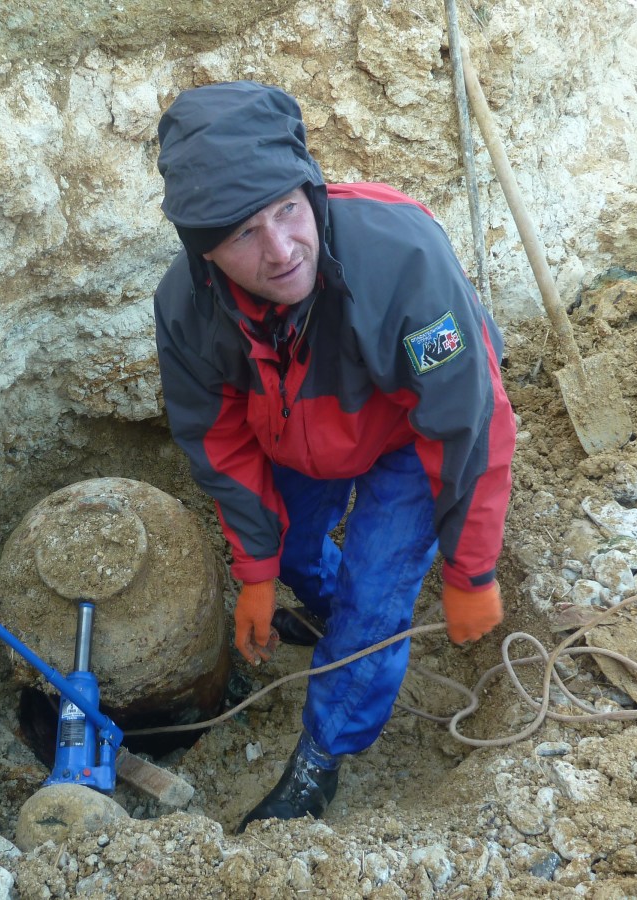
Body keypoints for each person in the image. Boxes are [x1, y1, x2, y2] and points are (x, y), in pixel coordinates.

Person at [152, 80, 516, 832]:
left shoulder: (402, 258)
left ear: (309, 189)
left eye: (287, 210)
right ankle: (322, 605)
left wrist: (470, 568)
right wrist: (256, 571)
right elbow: (217, 442)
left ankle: (325, 749)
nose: (282, 251)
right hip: (295, 430)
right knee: (289, 551)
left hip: (408, 436)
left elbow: (465, 425)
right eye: (243, 235)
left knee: (376, 601)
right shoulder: (186, 308)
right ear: (204, 251)